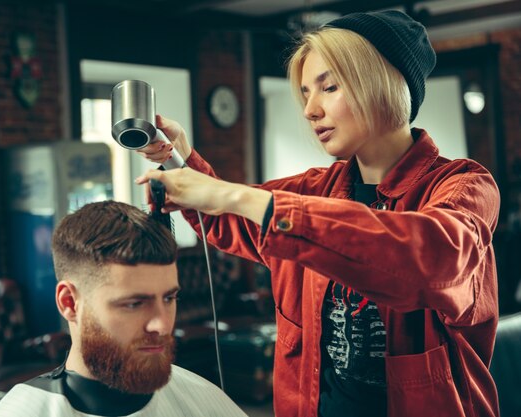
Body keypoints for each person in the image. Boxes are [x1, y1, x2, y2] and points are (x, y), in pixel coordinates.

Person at [134, 10, 500, 417]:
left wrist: (237, 197)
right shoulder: (315, 189)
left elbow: (434, 258)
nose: (310, 110)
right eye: (306, 93)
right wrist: (180, 163)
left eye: (328, 88)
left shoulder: (464, 185)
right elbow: (228, 220)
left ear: (384, 84)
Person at [0, 201, 248, 417]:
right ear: (69, 303)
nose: (161, 324)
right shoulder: (24, 411)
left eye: (169, 298)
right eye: (134, 304)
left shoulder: (202, 399)